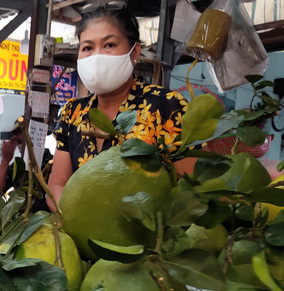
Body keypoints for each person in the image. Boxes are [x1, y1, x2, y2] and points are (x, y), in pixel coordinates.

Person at [47, 6, 190, 212]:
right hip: (79, 237)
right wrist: (78, 218)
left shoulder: (165, 106)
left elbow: (189, 192)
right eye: (87, 48)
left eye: (109, 45)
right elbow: (57, 184)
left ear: (135, 52)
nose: (96, 57)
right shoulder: (73, 112)